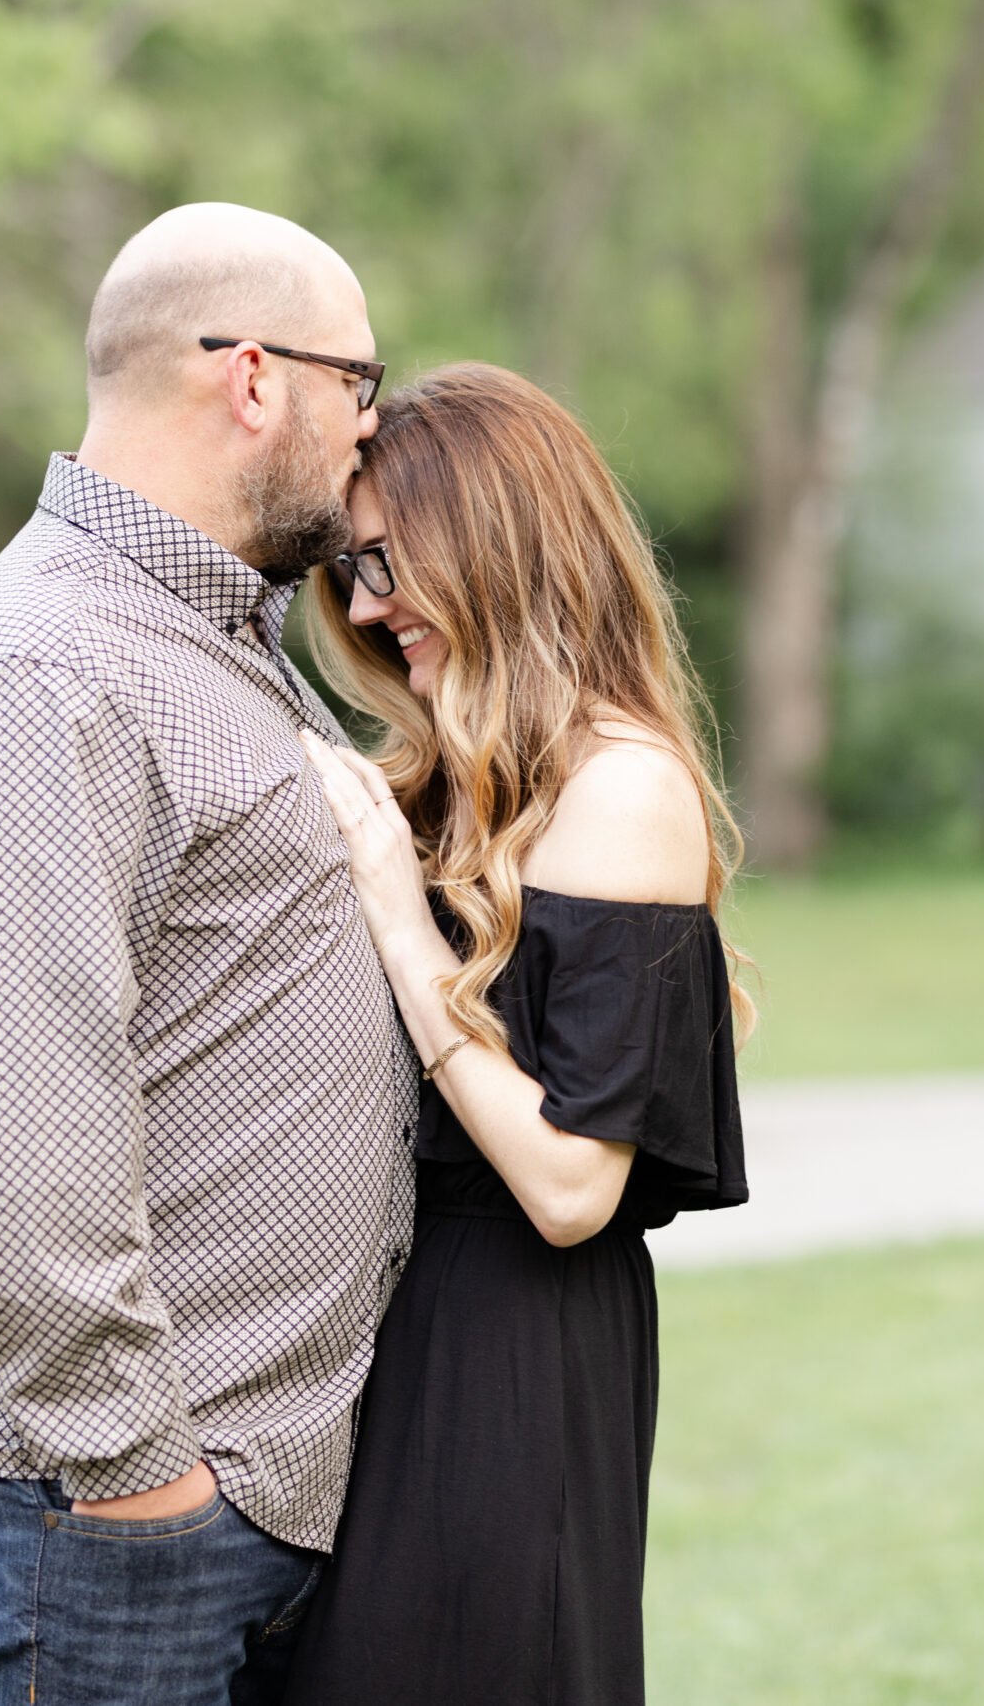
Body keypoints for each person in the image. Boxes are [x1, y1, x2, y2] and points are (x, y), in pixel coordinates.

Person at [0, 204, 417, 1706]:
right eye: (360, 385)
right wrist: (140, 1477)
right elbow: (30, 1123)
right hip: (93, 1516)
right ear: (252, 380)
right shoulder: (44, 671)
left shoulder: (206, 631)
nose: (372, 435)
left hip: (205, 1498)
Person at [282, 362, 751, 1705]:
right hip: (386, 1327)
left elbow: (566, 1186)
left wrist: (397, 914)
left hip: (509, 1354)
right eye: (351, 567)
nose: (369, 607)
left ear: (499, 544)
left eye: (390, 563)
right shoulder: (452, 777)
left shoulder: (622, 790)